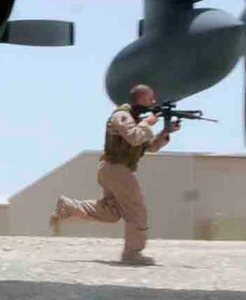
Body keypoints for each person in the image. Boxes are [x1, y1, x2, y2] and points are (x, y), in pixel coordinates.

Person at [50, 83, 178, 266]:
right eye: (150, 99)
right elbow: (134, 137)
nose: (153, 102)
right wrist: (147, 123)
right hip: (116, 169)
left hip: (114, 171)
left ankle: (68, 206)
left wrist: (166, 132)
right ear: (141, 99)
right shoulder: (122, 116)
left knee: (111, 212)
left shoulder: (134, 120)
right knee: (136, 210)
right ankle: (132, 253)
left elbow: (149, 146)